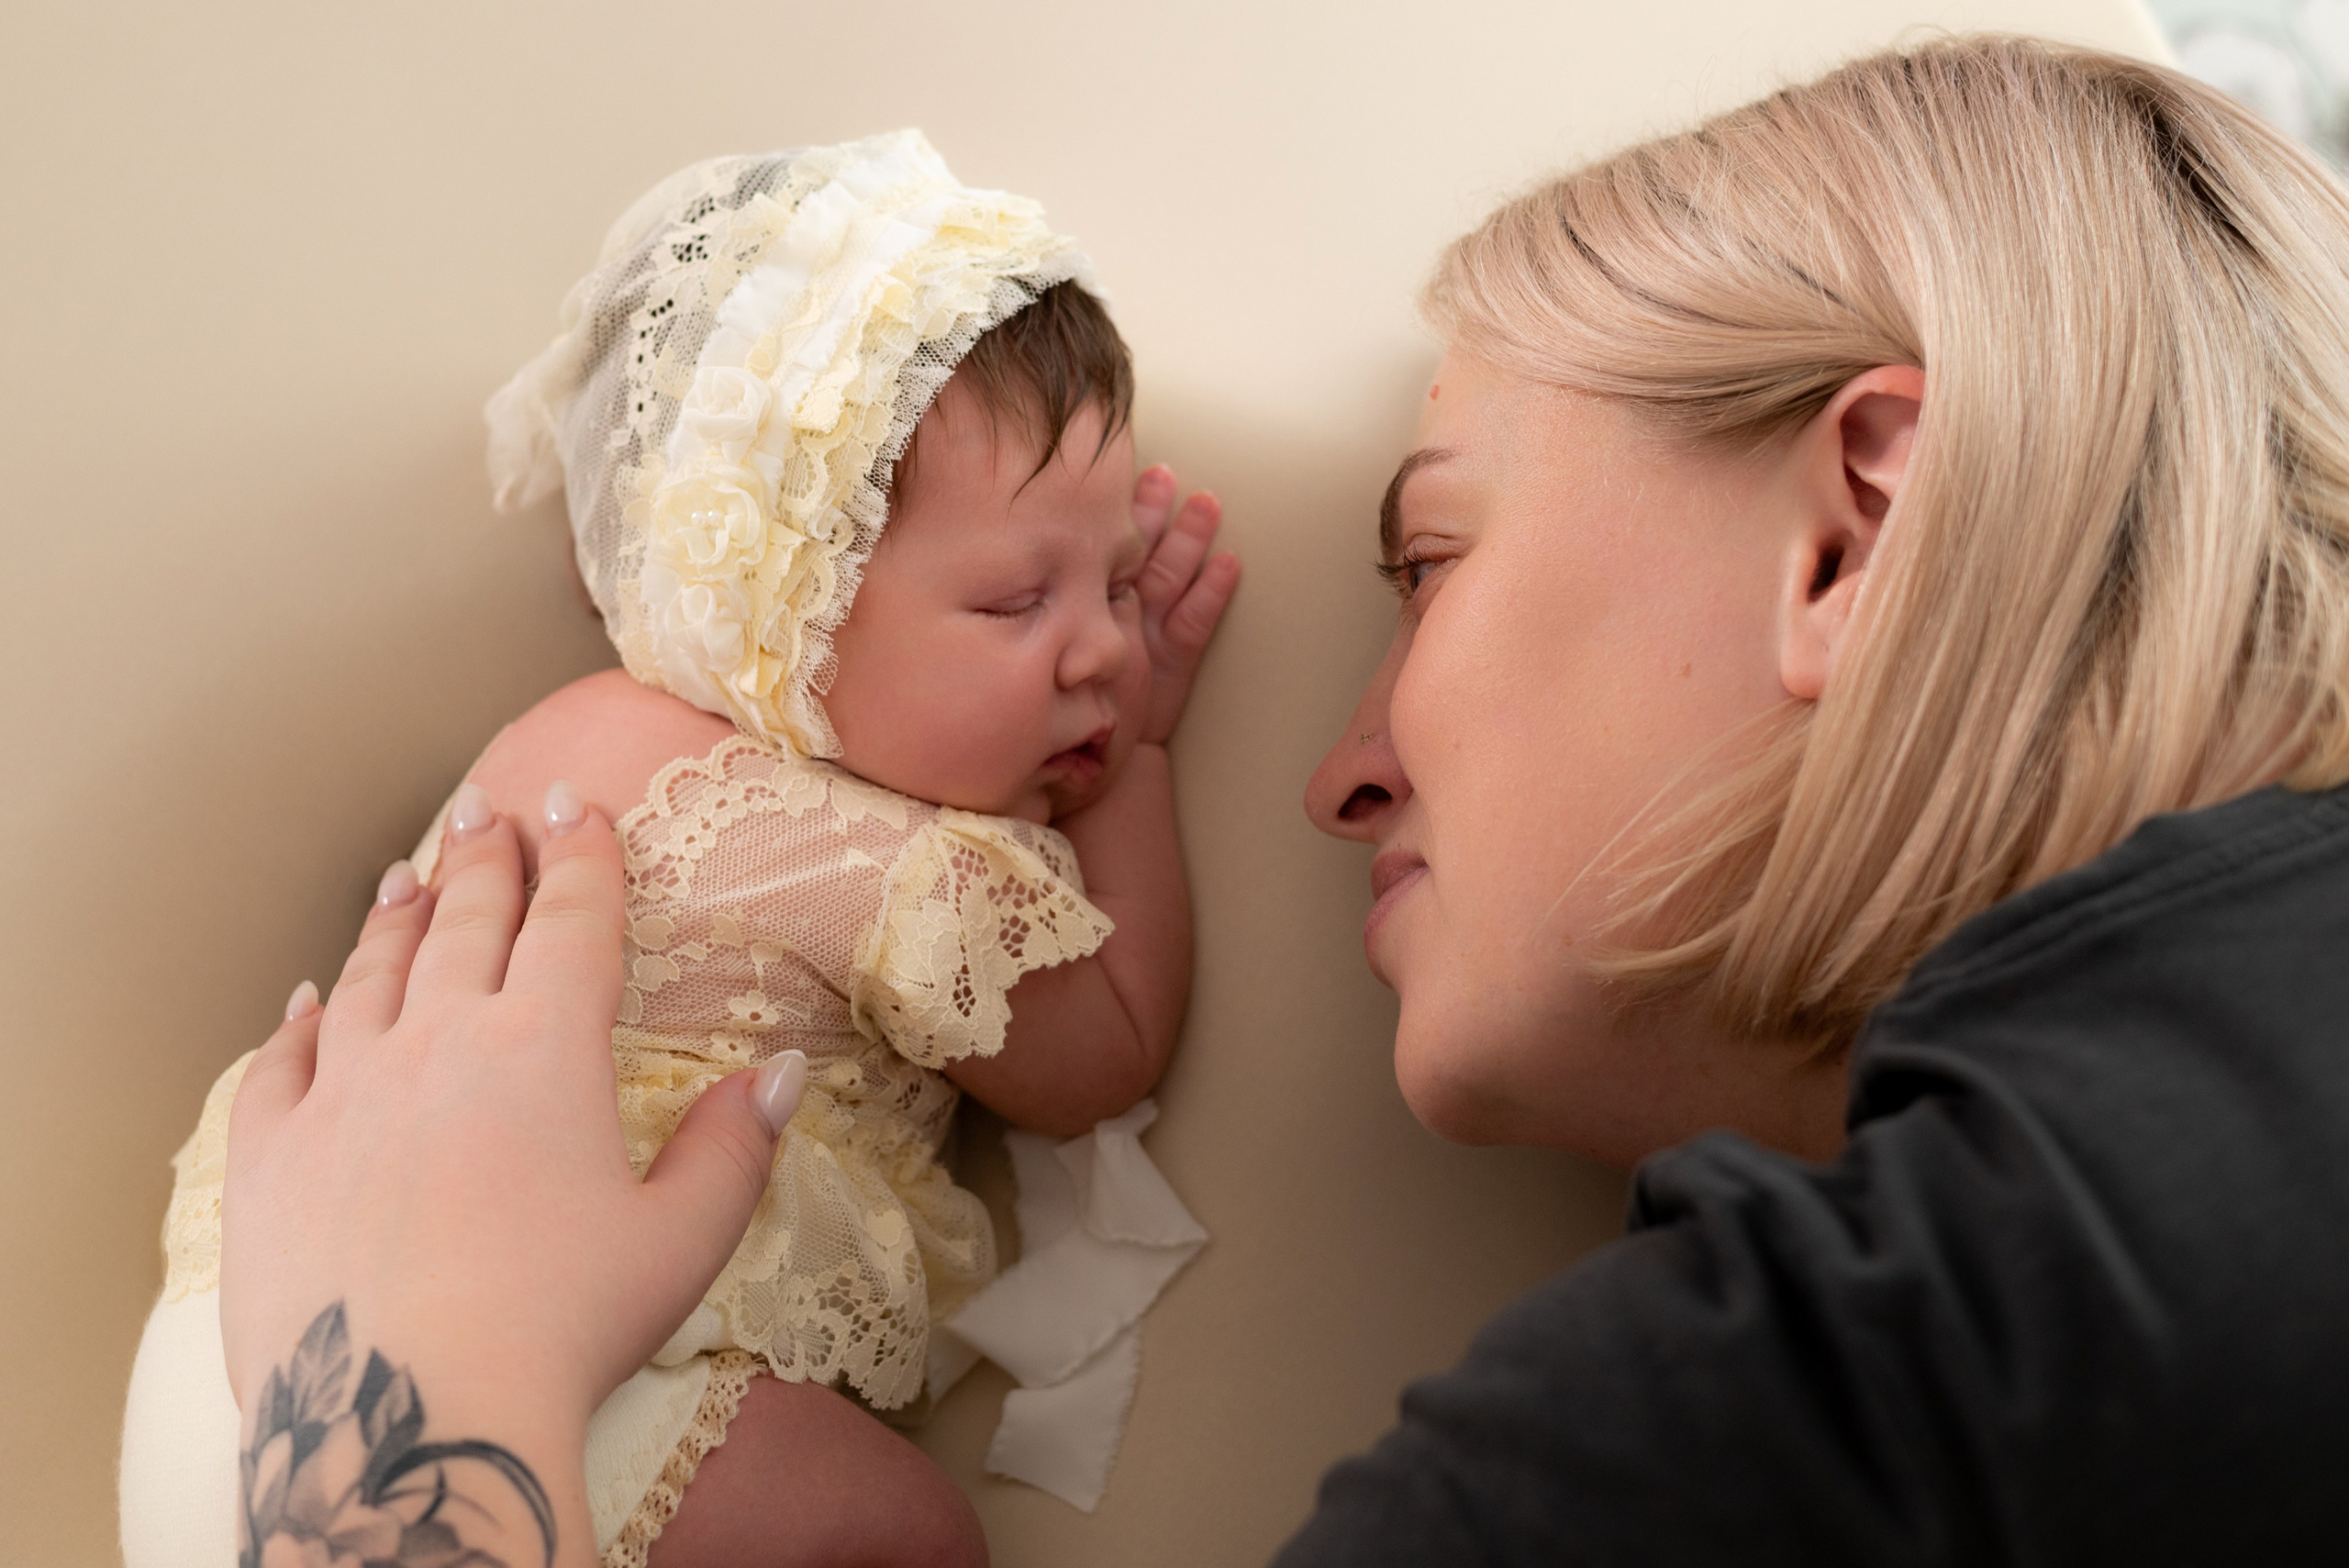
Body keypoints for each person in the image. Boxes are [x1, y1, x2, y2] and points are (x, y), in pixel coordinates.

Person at [204, 34, 2349, 1566]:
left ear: (1847, 534)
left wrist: (397, 1393)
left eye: (1431, 559)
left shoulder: (1808, 1410)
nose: (1335, 770)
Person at [118, 133, 1236, 1568]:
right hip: (539, 1402)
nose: (1099, 646)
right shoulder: (853, 856)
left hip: (234, 1356)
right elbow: (1107, 1049)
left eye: (1120, 580)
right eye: (1020, 599)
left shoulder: (558, 741)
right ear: (784, 609)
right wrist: (1136, 762)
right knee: (914, 1537)